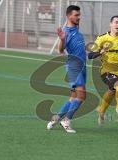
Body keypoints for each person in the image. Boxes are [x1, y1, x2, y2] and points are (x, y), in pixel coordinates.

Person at [47, 5, 86, 133]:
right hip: (74, 67)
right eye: (76, 15)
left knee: (73, 97)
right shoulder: (67, 31)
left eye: (79, 15)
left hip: (82, 66)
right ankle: (66, 120)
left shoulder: (76, 28)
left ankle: (56, 118)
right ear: (69, 16)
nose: (79, 17)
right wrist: (62, 39)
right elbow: (60, 49)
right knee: (81, 96)